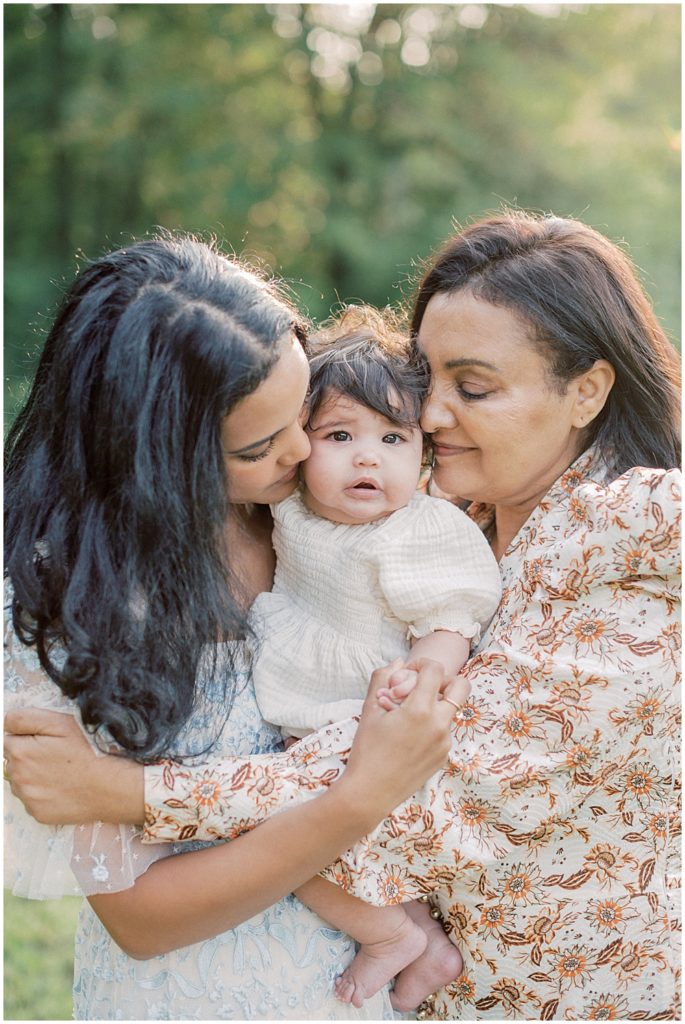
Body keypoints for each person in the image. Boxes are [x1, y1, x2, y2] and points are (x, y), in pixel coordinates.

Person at [6, 211, 681, 1020]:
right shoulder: (385, 519)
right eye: (425, 379)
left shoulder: (615, 527)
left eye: (470, 388)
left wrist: (132, 791)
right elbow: (147, 914)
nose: (425, 419)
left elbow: (425, 773)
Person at [3, 233, 469, 1021]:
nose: (299, 453)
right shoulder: (68, 594)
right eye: (258, 446)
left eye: (304, 414)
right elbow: (143, 919)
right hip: (200, 995)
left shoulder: (319, 517)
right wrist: (355, 802)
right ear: (160, 461)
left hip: (365, 994)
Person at [249, 305, 502, 1009]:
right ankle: (423, 939)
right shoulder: (288, 504)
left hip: (364, 722)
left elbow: (453, 614)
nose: (368, 457)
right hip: (306, 715)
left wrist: (426, 673)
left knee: (283, 848)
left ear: (422, 453)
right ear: (299, 447)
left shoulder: (417, 528)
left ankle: (390, 935)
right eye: (339, 435)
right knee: (342, 850)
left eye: (393, 437)